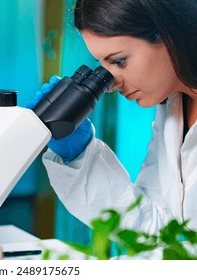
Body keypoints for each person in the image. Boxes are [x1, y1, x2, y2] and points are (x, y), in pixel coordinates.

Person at [36, 0, 197, 235]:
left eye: (119, 61)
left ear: (171, 33)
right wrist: (79, 157)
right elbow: (155, 227)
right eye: (102, 65)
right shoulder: (172, 110)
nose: (111, 85)